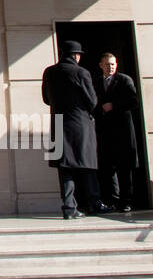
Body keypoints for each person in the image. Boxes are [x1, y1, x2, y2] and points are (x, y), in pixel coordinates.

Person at [41, 39, 109, 218]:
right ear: (76, 56)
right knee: (87, 165)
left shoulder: (49, 72)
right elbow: (92, 101)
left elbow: (46, 99)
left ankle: (69, 207)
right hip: (80, 125)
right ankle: (94, 202)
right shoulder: (81, 72)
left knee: (65, 168)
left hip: (58, 124)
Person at [94, 52, 139, 213]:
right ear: (101, 65)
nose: (110, 67)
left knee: (124, 168)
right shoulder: (97, 82)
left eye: (112, 64)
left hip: (123, 131)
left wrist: (114, 105)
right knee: (107, 168)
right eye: (107, 64)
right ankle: (112, 200)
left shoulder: (124, 80)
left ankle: (126, 201)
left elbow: (133, 101)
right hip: (105, 131)